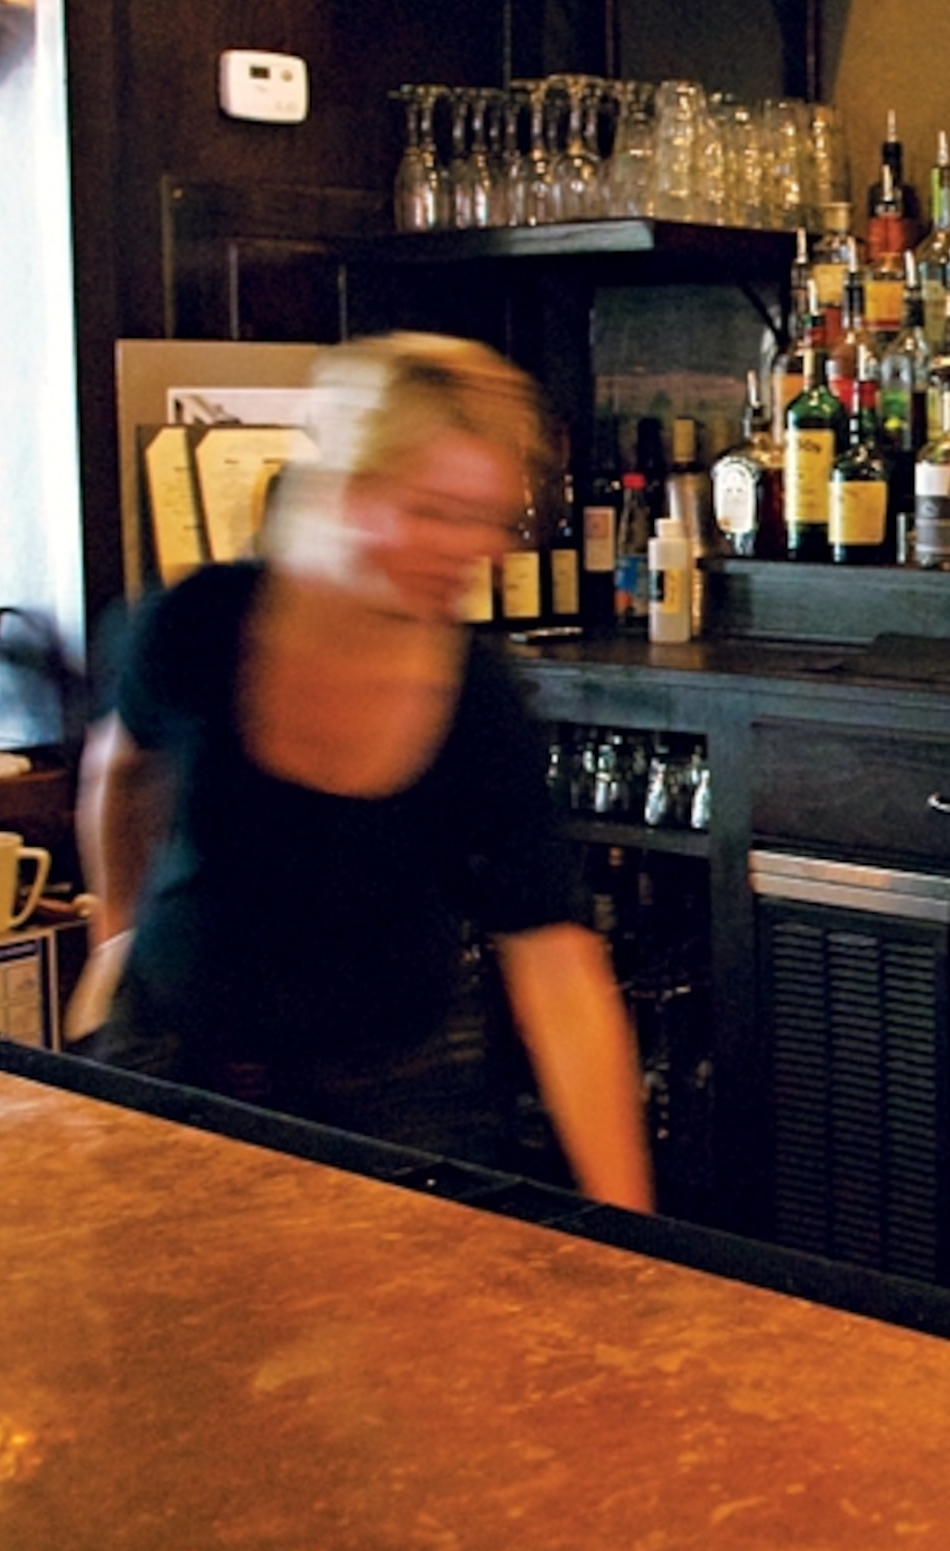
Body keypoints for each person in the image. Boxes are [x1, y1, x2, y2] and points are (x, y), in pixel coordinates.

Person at [75, 334, 652, 1210]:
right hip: (170, 1082)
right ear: (347, 486)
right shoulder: (199, 625)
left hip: (395, 1109)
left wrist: (628, 1236)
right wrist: (117, 931)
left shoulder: (478, 700)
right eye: (436, 511)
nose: (478, 550)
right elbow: (119, 775)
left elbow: (560, 971)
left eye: (490, 519)